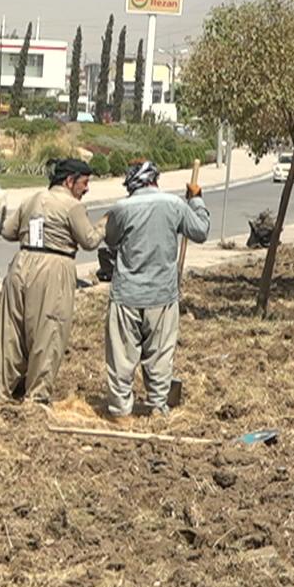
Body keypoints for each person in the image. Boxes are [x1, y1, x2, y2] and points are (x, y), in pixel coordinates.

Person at [100, 160, 210, 419]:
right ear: (154, 181)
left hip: (127, 295)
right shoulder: (174, 205)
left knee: (121, 358)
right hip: (162, 295)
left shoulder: (122, 209)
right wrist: (196, 201)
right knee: (160, 357)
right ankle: (159, 407)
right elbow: (201, 231)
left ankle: (119, 412)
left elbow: (111, 239)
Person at [0, 157, 101, 403]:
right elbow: (89, 241)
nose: (86, 189)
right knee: (48, 330)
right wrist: (105, 225)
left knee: (11, 331)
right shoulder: (72, 206)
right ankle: (37, 396)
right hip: (54, 266)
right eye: (84, 183)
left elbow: (8, 231)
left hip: (22, 262)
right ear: (70, 181)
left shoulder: (32, 199)